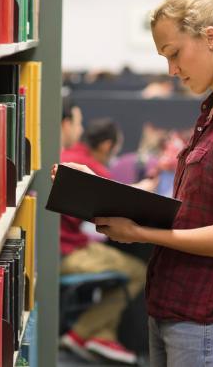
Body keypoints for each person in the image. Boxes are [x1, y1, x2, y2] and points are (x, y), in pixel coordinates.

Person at [52, 0, 213, 367]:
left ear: (211, 37)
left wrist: (139, 233)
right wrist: (96, 187)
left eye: (174, 54)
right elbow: (193, 211)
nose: (171, 70)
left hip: (208, 320)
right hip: (174, 310)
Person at [58, 103, 147, 365]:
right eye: (78, 122)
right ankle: (80, 333)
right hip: (66, 251)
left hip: (69, 244)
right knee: (139, 271)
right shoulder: (85, 164)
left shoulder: (69, 154)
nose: (80, 128)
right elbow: (120, 206)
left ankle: (103, 336)